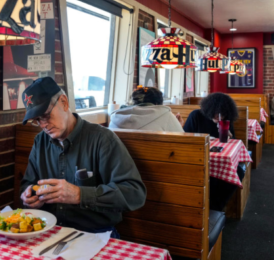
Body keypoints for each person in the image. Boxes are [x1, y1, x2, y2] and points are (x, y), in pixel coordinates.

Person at [19, 77, 146, 238]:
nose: (43, 125)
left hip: (95, 234)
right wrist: (28, 196)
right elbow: (27, 185)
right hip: (48, 232)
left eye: (45, 115)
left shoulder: (103, 139)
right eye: (37, 120)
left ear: (64, 102)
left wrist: (79, 194)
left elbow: (134, 193)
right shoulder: (40, 142)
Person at [183, 92, 243, 211]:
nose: (219, 116)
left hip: (218, 159)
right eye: (215, 112)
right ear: (209, 109)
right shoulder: (196, 116)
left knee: (238, 172)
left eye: (223, 113)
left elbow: (233, 142)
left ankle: (215, 207)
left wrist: (230, 137)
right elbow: (185, 138)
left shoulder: (226, 121)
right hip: (197, 157)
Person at [109, 85, 184, 132]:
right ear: (157, 104)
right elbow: (181, 140)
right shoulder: (167, 116)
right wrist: (179, 125)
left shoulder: (115, 118)